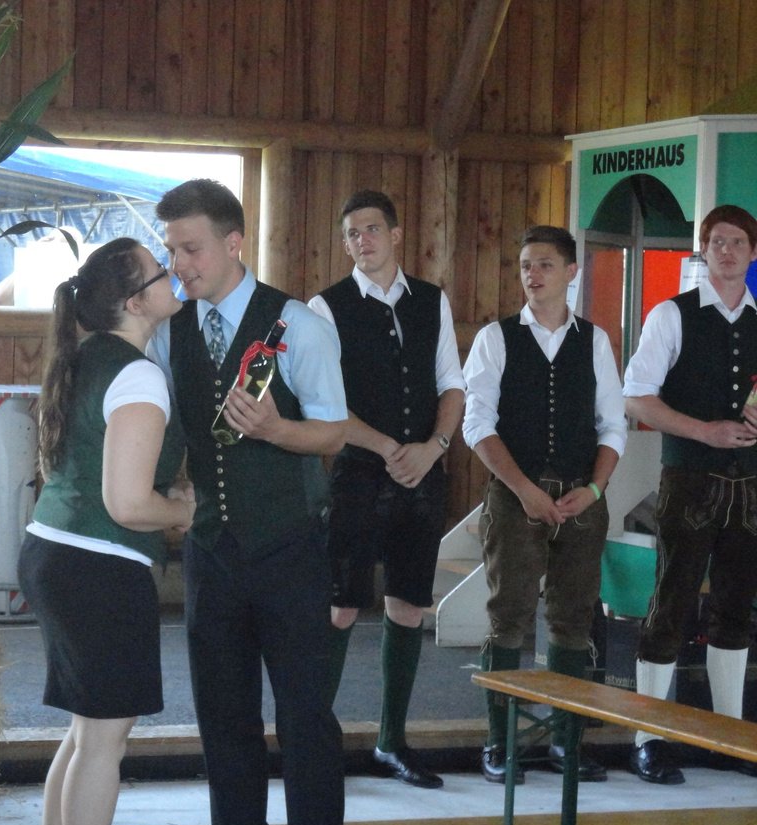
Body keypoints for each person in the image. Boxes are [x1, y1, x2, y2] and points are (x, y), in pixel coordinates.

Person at [149, 179, 356, 825]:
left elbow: (334, 431)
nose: (179, 264)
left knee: (306, 720)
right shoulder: (170, 330)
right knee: (224, 720)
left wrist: (275, 429)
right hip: (211, 555)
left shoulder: (297, 325)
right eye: (172, 250)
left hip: (291, 551)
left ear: (234, 242)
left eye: (192, 248)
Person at [18, 237, 194, 825]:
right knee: (103, 744)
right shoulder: (137, 375)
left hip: (54, 553)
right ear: (134, 302)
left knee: (85, 736)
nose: (172, 275)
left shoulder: (88, 356)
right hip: (99, 566)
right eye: (159, 271)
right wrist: (186, 512)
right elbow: (129, 504)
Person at [306, 190, 465, 791]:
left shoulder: (431, 299)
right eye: (352, 233)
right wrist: (386, 448)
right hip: (359, 472)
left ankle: (392, 741)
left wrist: (434, 447)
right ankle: (313, 742)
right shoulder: (326, 307)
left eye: (372, 229)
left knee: (409, 604)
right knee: (341, 604)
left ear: (396, 235)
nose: (362, 241)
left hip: (424, 471)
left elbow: (451, 384)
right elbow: (324, 401)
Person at [462, 225, 626, 785]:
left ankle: (565, 742)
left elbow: (613, 425)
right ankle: (499, 743)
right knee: (508, 617)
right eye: (526, 265)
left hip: (583, 495)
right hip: (514, 496)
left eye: (545, 265)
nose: (532, 275)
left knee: (573, 620)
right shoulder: (496, 338)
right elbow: (476, 424)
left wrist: (595, 490)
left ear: (571, 272)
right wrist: (523, 489)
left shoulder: (595, 341)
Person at [622, 204, 757, 785]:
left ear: (753, 252)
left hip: (751, 487)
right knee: (671, 604)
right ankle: (647, 737)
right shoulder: (670, 316)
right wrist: (705, 431)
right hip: (689, 481)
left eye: (737, 242)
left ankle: (728, 737)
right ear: (703, 250)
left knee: (736, 609)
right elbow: (636, 398)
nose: (726, 251)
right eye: (716, 242)